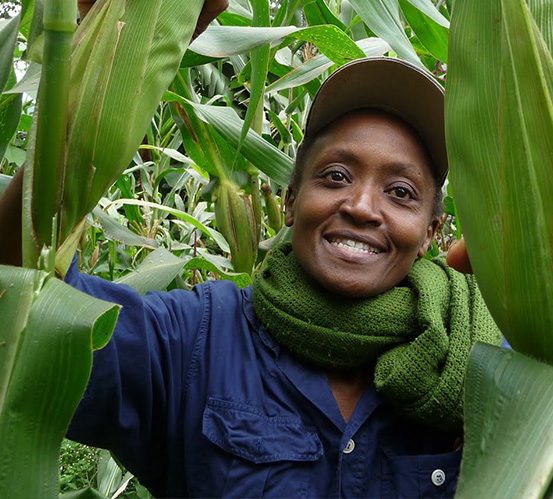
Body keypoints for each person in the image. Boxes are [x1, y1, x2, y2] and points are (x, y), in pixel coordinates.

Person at [0, 9, 501, 498]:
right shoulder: (194, 339)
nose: (362, 207)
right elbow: (22, 302)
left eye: (400, 192)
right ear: (289, 201)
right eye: (336, 177)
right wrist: (117, 55)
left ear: (431, 232)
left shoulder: (478, 366)